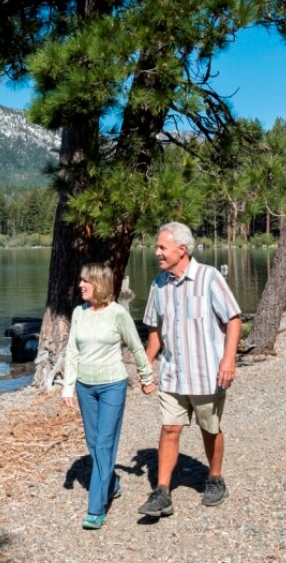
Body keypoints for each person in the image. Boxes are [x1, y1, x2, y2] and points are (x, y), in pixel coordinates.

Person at [137, 222, 242, 517]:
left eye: (161, 247)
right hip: (173, 373)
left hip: (207, 372)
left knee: (210, 428)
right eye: (157, 247)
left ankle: (215, 479)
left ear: (181, 250)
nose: (156, 252)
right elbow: (155, 332)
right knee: (169, 428)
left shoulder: (209, 278)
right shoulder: (159, 285)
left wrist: (228, 359)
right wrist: (145, 365)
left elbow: (234, 319)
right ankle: (162, 492)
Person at [61, 263, 155, 530]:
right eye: (80, 281)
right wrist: (68, 386)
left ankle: (95, 508)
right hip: (85, 388)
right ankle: (112, 483)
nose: (80, 285)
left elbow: (137, 347)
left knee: (103, 444)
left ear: (99, 284)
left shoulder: (117, 314)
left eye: (85, 281)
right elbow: (72, 351)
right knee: (93, 442)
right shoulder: (79, 312)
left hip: (113, 385)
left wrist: (146, 378)